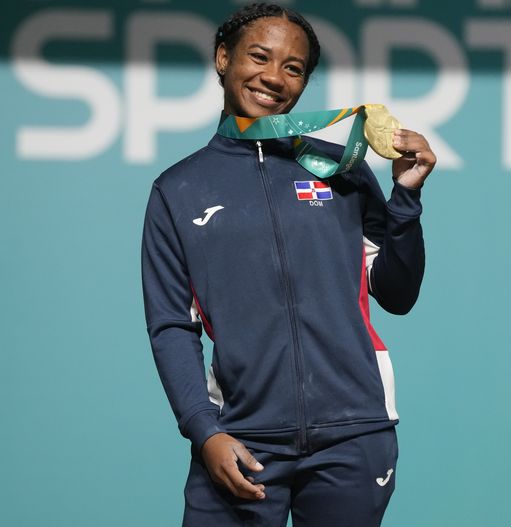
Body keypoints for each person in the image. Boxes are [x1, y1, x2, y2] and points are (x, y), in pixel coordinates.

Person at [140, 3, 436, 526]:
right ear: (223, 58)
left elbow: (397, 293)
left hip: (354, 436)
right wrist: (204, 431)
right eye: (259, 57)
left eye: (293, 68)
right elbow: (171, 326)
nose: (273, 77)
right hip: (243, 441)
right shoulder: (178, 190)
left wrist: (405, 199)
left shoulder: (339, 170)